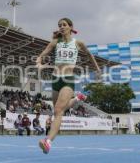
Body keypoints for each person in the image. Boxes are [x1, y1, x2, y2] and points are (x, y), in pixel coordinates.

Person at [37, 17, 101, 154]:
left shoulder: (78, 43)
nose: (61, 27)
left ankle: (48, 142)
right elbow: (41, 55)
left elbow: (90, 56)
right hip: (55, 79)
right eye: (59, 25)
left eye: (64, 25)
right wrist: (39, 64)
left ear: (71, 27)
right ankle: (77, 99)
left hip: (67, 79)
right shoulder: (55, 42)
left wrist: (98, 70)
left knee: (58, 111)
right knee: (58, 110)